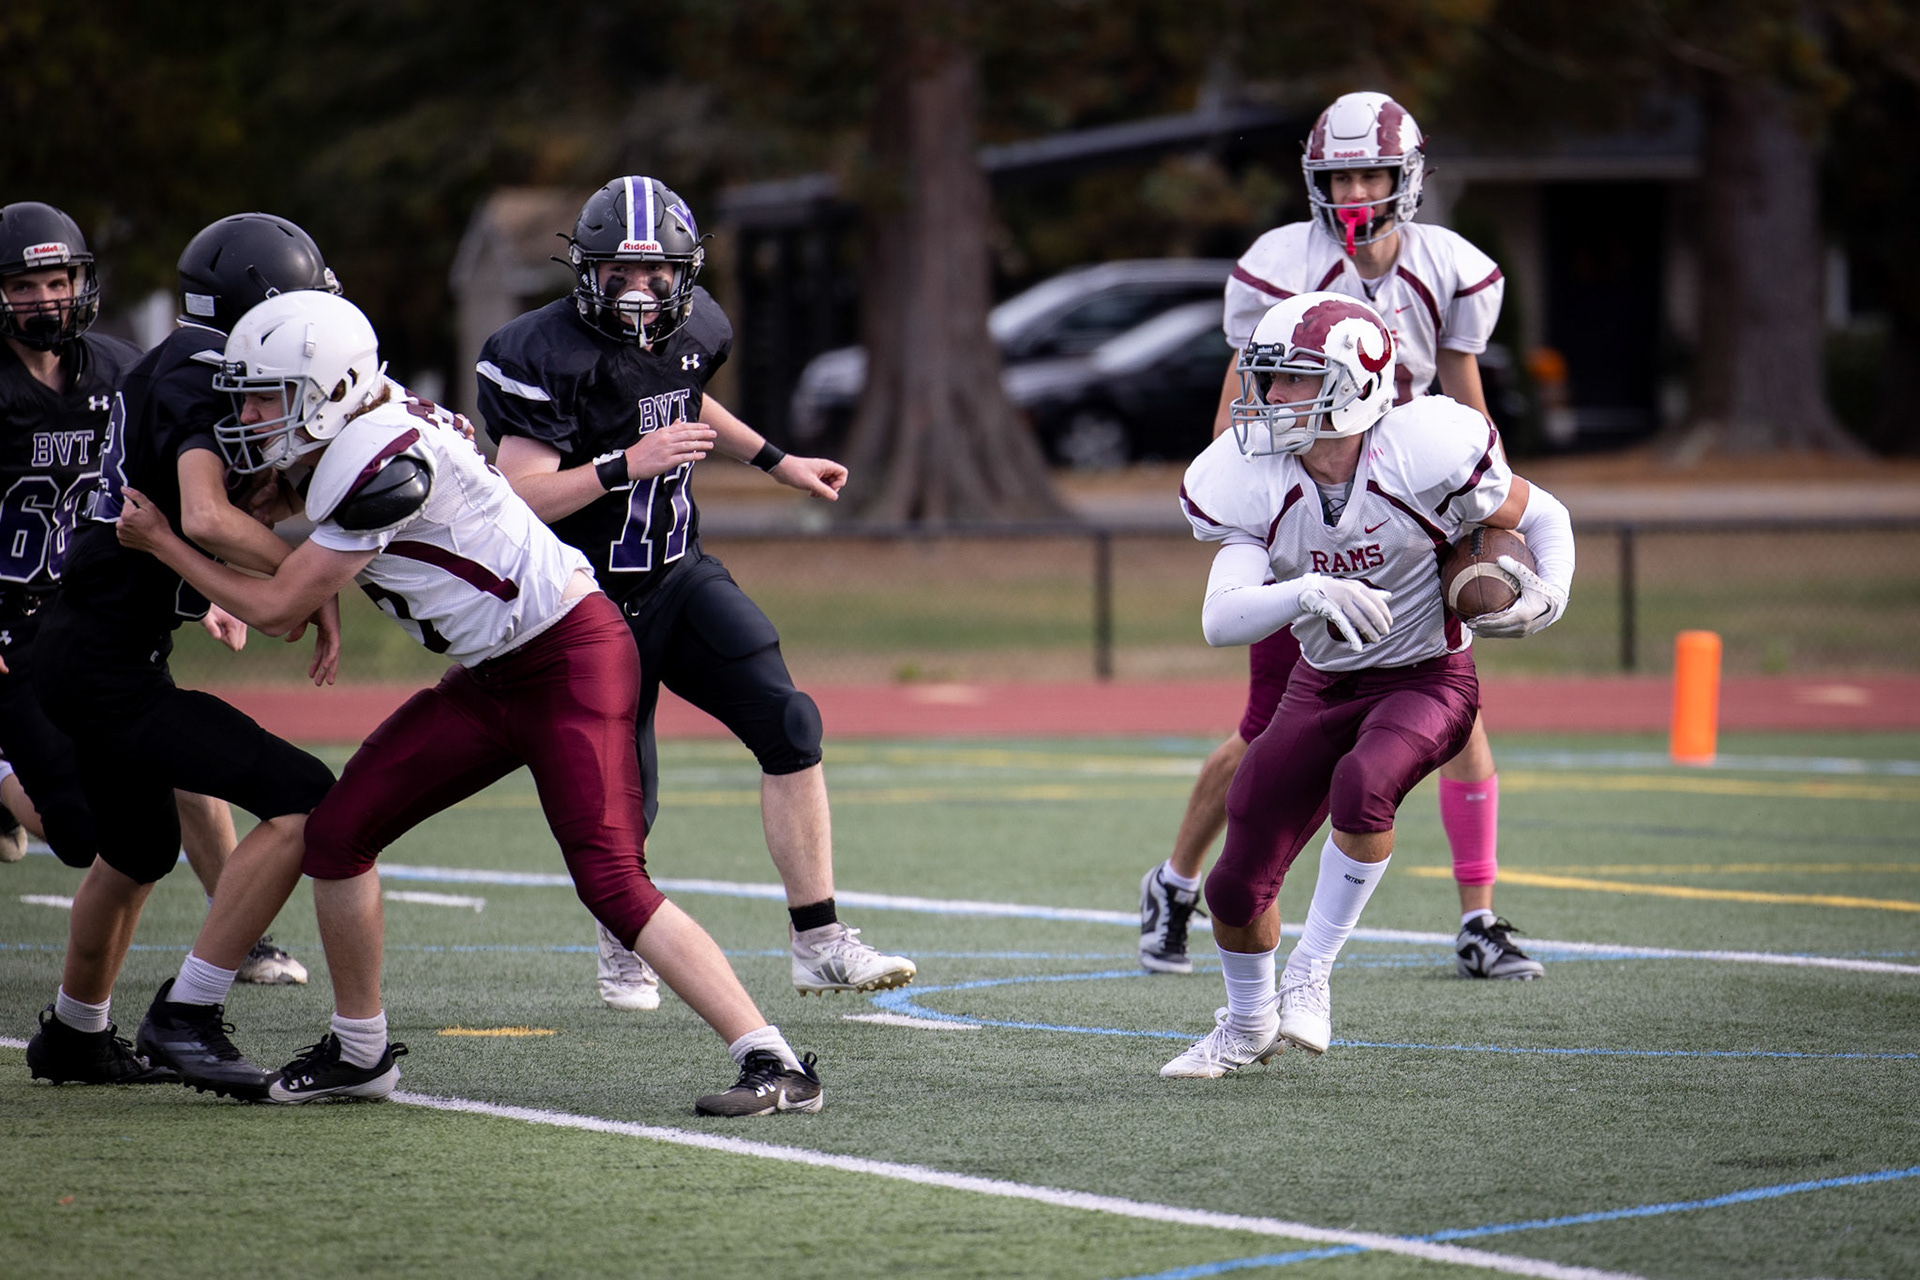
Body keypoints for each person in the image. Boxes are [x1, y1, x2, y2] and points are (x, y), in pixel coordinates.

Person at [120, 290, 822, 1115]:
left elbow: (275, 606)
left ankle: (774, 1061)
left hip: (568, 658)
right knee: (341, 833)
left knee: (612, 880)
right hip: (497, 670)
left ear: (335, 385)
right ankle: (360, 1050)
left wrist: (165, 542)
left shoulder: (378, 460)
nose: (247, 413)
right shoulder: (366, 424)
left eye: (266, 394)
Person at [479, 175, 914, 1009]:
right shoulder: (537, 350)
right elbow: (519, 494)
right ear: (585, 271)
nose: (641, 294)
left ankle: (819, 940)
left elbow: (680, 393)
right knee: (623, 790)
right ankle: (623, 934)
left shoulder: (701, 324)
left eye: (658, 277)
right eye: (620, 275)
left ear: (686, 274)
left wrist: (775, 460)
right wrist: (622, 467)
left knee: (790, 721)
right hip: (583, 599)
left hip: (677, 570)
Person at [1139, 91, 1543, 983]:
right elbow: (1244, 404)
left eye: (1372, 173)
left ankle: (1478, 916)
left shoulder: (1451, 269)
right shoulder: (1280, 265)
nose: (1357, 190)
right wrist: (1244, 512)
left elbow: (1466, 400)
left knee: (1456, 708)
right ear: (1314, 182)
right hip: (1310, 507)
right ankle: (1175, 880)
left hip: (1407, 503)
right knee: (1267, 732)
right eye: (1340, 175)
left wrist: (1486, 509)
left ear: (1410, 179)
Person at [1159, 292, 1573, 1078]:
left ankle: (1313, 973)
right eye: (1268, 379)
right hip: (1322, 682)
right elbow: (1221, 618)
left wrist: (1551, 595)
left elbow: (1543, 512)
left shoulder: (1425, 450)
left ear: (1353, 383)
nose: (1268, 399)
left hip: (1427, 676)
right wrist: (1306, 592)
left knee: (1364, 784)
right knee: (1236, 883)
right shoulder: (1250, 478)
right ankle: (1246, 1028)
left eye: (1289, 382)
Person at [21, 213, 344, 1088]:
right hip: (100, 663)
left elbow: (216, 511)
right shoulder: (202, 372)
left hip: (90, 643)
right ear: (262, 301)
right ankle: (187, 1012)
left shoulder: (180, 362)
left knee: (135, 853)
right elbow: (202, 517)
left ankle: (75, 1035)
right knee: (304, 794)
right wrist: (314, 581)